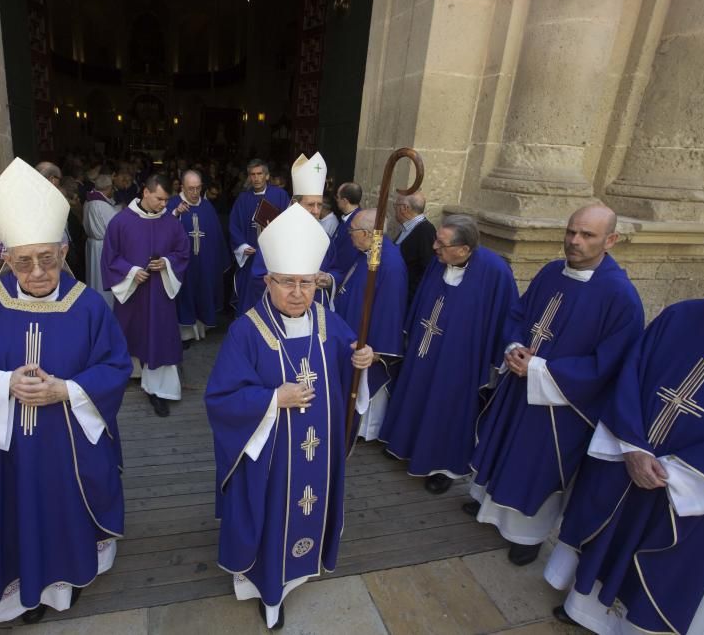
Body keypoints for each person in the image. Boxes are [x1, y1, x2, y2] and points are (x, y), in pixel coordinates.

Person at [0, 158, 131, 625]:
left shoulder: (87, 306)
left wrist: (67, 389)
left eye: (48, 258)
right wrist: (4, 383)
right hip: (6, 449)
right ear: (6, 259)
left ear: (65, 252)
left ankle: (66, 581)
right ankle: (18, 586)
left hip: (68, 445)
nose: (38, 270)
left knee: (65, 508)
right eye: (24, 261)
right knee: (15, 511)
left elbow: (116, 366)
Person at [544, 237, 704, 634]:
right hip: (631, 459)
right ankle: (583, 608)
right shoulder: (682, 316)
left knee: (663, 563)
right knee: (607, 533)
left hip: (693, 487)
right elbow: (630, 375)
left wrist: (678, 474)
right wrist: (633, 447)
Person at [205, 203, 375, 630]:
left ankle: (302, 565)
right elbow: (221, 398)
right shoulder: (247, 330)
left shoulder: (327, 320)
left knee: (308, 506)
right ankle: (267, 589)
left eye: (307, 282)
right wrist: (271, 399)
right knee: (272, 512)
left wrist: (361, 360)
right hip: (272, 456)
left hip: (318, 450)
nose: (298, 292)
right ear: (268, 281)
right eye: (286, 283)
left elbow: (347, 361)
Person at [468, 205, 644, 567]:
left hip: (560, 404)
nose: (574, 241)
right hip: (520, 384)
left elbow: (608, 365)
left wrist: (541, 368)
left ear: (610, 240)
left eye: (587, 235)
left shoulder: (621, 297)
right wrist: (513, 348)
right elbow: (518, 314)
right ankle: (487, 501)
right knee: (502, 446)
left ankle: (527, 535)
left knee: (537, 465)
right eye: (571, 231)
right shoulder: (551, 272)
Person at [378, 214, 518, 494]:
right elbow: (421, 299)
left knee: (448, 410)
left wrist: (499, 356)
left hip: (460, 361)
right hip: (425, 348)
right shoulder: (440, 261)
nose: (434, 247)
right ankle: (404, 444)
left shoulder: (495, 272)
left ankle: (443, 468)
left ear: (464, 249)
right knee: (416, 395)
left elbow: (508, 317)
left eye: (441, 244)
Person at [102, 174, 190, 417]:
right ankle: (130, 376)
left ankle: (159, 390)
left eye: (167, 199)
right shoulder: (120, 222)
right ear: (145, 193)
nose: (165, 204)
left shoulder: (171, 223)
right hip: (133, 294)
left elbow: (182, 252)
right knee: (130, 334)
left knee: (159, 338)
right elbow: (110, 258)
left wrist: (166, 263)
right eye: (160, 199)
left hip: (160, 294)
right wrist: (131, 273)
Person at [334, 208, 409, 441]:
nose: (350, 234)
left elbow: (389, 312)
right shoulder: (369, 252)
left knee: (366, 393)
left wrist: (375, 350)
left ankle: (366, 430)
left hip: (370, 344)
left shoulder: (389, 264)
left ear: (367, 233)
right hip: (350, 330)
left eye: (353, 231)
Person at [242, 153, 338, 313]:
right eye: (310, 204)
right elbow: (258, 276)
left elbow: (337, 268)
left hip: (317, 309)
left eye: (319, 205)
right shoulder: (275, 235)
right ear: (295, 203)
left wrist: (329, 279)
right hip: (282, 309)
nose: (316, 211)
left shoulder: (323, 237)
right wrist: (290, 284)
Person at [170, 170, 230, 344]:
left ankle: (200, 329)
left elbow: (216, 237)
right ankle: (185, 333)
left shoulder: (206, 206)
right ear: (182, 187)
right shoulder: (174, 204)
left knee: (203, 293)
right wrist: (175, 214)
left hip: (204, 264)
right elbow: (162, 231)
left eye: (198, 188)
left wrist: (216, 261)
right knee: (185, 295)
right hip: (183, 266)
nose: (195, 193)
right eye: (190, 189)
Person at [0, 161, 66, 282]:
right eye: (58, 183)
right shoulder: (9, 214)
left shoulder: (47, 209)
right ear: (52, 180)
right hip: (16, 288)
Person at [228, 159, 289, 315]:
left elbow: (289, 223)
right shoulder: (243, 199)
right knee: (247, 297)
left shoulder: (280, 195)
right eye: (252, 175)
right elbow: (233, 224)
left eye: (259, 174)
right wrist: (242, 246)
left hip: (272, 260)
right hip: (250, 259)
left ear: (267, 176)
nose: (255, 178)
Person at [83, 172, 121, 306]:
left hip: (92, 244)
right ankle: (104, 305)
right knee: (101, 279)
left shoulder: (88, 201)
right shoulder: (102, 205)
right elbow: (115, 227)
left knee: (93, 277)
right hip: (102, 246)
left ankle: (94, 303)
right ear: (109, 188)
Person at [392, 192, 436, 302]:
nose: (394, 210)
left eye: (395, 206)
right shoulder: (407, 227)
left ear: (404, 208)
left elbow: (427, 270)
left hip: (405, 298)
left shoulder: (426, 231)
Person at [329, 181, 363, 281]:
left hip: (339, 276)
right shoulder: (348, 217)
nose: (336, 200)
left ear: (344, 201)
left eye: (337, 197)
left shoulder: (356, 223)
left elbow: (346, 258)